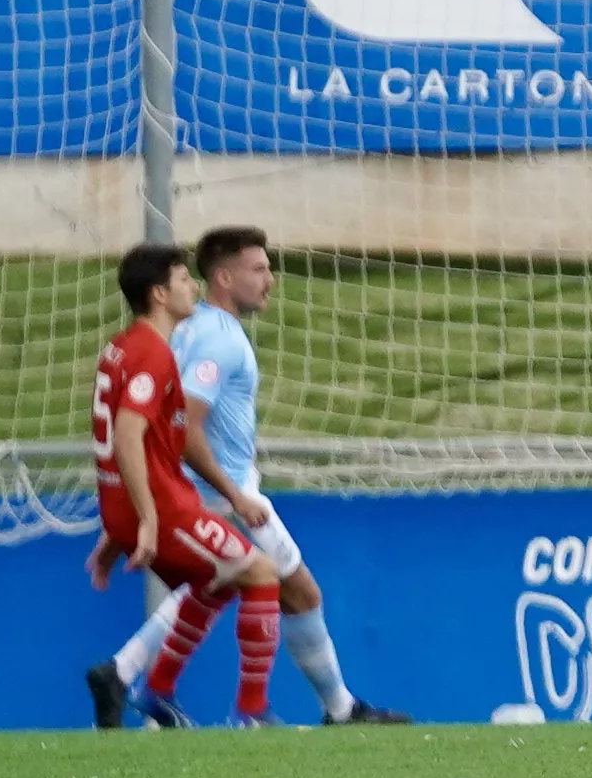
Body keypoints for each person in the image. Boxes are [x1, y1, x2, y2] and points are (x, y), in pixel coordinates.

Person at [100, 226, 405, 725]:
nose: (271, 280)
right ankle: (282, 710)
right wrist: (231, 495)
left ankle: (131, 675)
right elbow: (188, 427)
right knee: (292, 589)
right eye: (259, 269)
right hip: (219, 493)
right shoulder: (217, 340)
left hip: (198, 490)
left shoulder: (186, 327)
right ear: (224, 276)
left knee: (217, 586)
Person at [81, 242, 285, 730]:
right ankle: (252, 712)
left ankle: (156, 690)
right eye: (181, 279)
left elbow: (150, 439)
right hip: (163, 508)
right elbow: (128, 432)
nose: (192, 286)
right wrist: (147, 518)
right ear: (159, 293)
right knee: (261, 575)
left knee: (214, 582)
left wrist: (117, 526)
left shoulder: (122, 346)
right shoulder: (153, 353)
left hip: (136, 504)